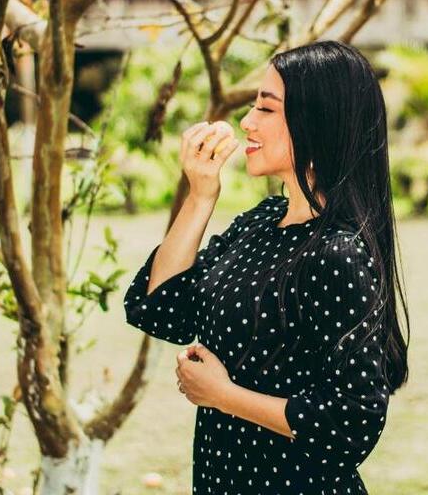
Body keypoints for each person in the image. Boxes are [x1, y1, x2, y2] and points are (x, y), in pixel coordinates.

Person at [123, 39, 410, 494]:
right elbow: (161, 310)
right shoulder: (260, 223)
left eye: (266, 108)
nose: (247, 121)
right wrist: (200, 195)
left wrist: (223, 396)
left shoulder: (338, 254)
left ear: (316, 122)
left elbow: (352, 422)